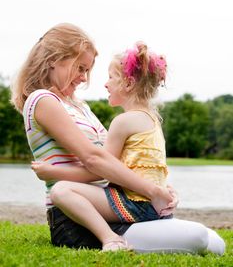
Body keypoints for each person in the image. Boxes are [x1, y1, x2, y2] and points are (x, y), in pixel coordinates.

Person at [11, 23, 225, 254]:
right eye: (80, 68)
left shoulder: (80, 106)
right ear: (53, 59)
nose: (84, 78)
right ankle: (111, 239)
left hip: (115, 203)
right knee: (199, 238)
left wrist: (155, 185)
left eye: (87, 70)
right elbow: (94, 159)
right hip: (78, 217)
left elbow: (115, 161)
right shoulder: (42, 100)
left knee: (214, 243)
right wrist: (151, 191)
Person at [31, 42, 174, 251]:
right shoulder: (152, 121)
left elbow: (98, 170)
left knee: (61, 191)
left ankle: (111, 238)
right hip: (151, 206)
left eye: (111, 78)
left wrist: (53, 171)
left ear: (128, 83)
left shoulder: (123, 122)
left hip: (133, 204)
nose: (106, 84)